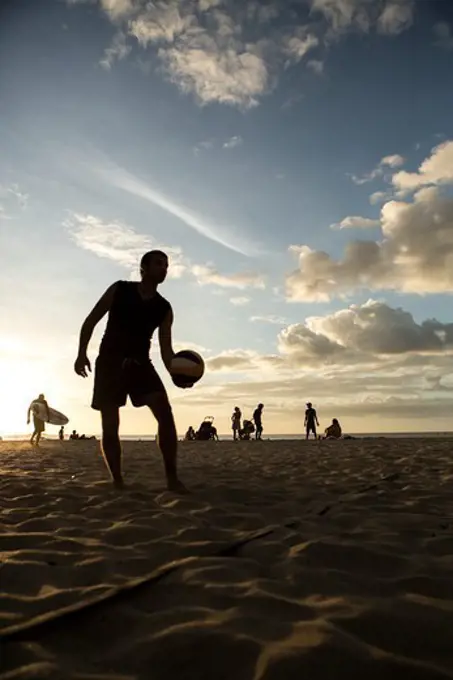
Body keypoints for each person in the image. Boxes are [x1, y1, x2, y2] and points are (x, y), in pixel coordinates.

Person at [74, 250, 190, 493]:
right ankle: (117, 481)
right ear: (144, 267)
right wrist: (81, 353)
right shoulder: (120, 289)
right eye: (159, 263)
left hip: (141, 364)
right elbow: (91, 319)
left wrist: (176, 373)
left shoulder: (164, 308)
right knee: (110, 423)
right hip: (109, 362)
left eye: (167, 265)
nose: (164, 268)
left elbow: (167, 350)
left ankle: (172, 479)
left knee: (165, 414)